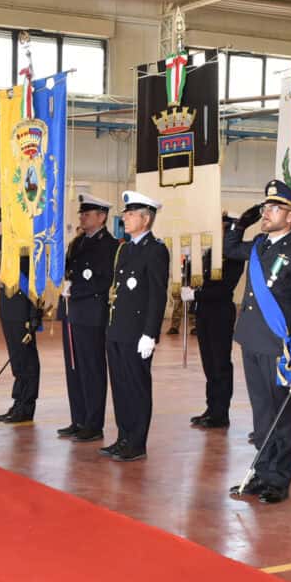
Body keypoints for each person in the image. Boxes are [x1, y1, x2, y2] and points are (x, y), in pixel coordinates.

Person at [225, 182, 291, 504]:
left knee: (281, 415)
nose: (266, 213)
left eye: (274, 208)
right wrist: (239, 224)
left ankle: (278, 480)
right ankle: (262, 469)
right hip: (252, 339)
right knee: (261, 413)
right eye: (264, 207)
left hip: (277, 345)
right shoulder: (259, 244)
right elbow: (230, 249)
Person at [102, 190, 170, 462]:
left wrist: (150, 334)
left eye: (130, 215)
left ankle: (137, 442)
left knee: (137, 387)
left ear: (146, 219)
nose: (125, 218)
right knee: (119, 386)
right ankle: (123, 437)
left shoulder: (155, 250)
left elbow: (157, 294)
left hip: (137, 332)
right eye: (125, 214)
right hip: (117, 329)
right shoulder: (125, 248)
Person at [55, 195, 119, 443]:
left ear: (101, 217)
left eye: (87, 214)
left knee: (91, 368)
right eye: (81, 214)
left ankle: (93, 424)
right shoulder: (77, 242)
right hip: (72, 311)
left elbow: (104, 281)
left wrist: (76, 290)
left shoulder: (109, 245)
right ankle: (78, 419)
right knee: (74, 368)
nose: (81, 217)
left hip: (91, 313)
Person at [181, 214, 246, 430]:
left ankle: (220, 413)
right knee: (209, 364)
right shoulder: (210, 251)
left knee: (220, 364)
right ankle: (211, 408)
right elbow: (197, 279)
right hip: (204, 312)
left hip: (219, 312)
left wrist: (196, 295)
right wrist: (189, 261)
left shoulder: (232, 256)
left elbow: (223, 287)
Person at [0, 207, 41, 422]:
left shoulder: (31, 243)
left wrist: (34, 313)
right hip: (7, 306)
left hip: (23, 307)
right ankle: (18, 402)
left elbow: (35, 280)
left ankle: (27, 405)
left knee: (27, 358)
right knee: (16, 358)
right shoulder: (8, 240)